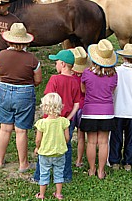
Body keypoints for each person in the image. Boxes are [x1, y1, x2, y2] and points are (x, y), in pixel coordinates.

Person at [0, 23, 42, 172]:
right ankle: (23, 164)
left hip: (3, 90)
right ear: (26, 41)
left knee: (5, 128)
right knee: (21, 131)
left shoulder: (0, 55)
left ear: (9, 40)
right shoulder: (32, 59)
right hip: (24, 93)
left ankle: (0, 160)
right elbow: (38, 79)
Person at [32, 49, 80, 183]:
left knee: (44, 146)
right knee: (66, 146)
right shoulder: (75, 81)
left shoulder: (54, 79)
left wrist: (46, 116)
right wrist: (68, 118)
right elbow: (77, 104)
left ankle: (39, 176)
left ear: (63, 64)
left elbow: (47, 99)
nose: (56, 65)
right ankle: (65, 176)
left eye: (57, 62)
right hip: (65, 122)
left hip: (50, 121)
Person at [80, 39, 118, 179]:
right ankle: (101, 171)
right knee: (103, 142)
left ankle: (91, 169)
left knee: (91, 142)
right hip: (107, 112)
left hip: (90, 111)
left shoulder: (87, 73)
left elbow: (83, 90)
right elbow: (112, 90)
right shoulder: (114, 75)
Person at [108, 43, 132, 171]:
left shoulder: (116, 71)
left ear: (123, 57)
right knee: (131, 138)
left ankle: (114, 161)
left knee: (116, 137)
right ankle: (128, 162)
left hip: (117, 109)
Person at [34, 93, 70, 200]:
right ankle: (58, 194)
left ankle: (42, 195)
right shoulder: (64, 121)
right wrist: (63, 143)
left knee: (44, 173)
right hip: (59, 152)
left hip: (45, 153)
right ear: (60, 106)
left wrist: (37, 147)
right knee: (59, 172)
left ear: (44, 106)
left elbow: (38, 139)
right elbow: (67, 137)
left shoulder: (42, 123)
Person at [70, 46, 91, 168]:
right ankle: (79, 160)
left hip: (72, 109)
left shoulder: (70, 78)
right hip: (84, 108)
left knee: (68, 134)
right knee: (81, 136)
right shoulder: (86, 77)